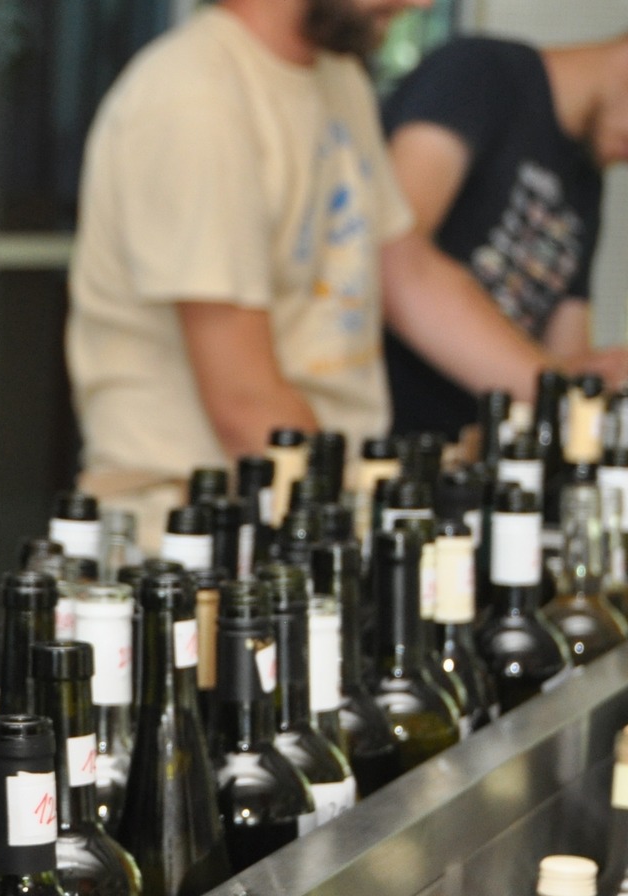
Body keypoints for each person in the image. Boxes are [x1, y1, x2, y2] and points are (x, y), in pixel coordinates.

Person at [66, 0, 587, 540]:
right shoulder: (195, 97)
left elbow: (408, 274)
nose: (423, 3)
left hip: (309, 507)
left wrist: (569, 401)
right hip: (192, 534)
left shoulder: (337, 80)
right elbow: (245, 406)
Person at [383, 20, 628, 437]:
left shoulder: (586, 182)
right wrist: (561, 391)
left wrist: (596, 376)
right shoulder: (478, 73)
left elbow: (565, 355)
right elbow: (395, 262)